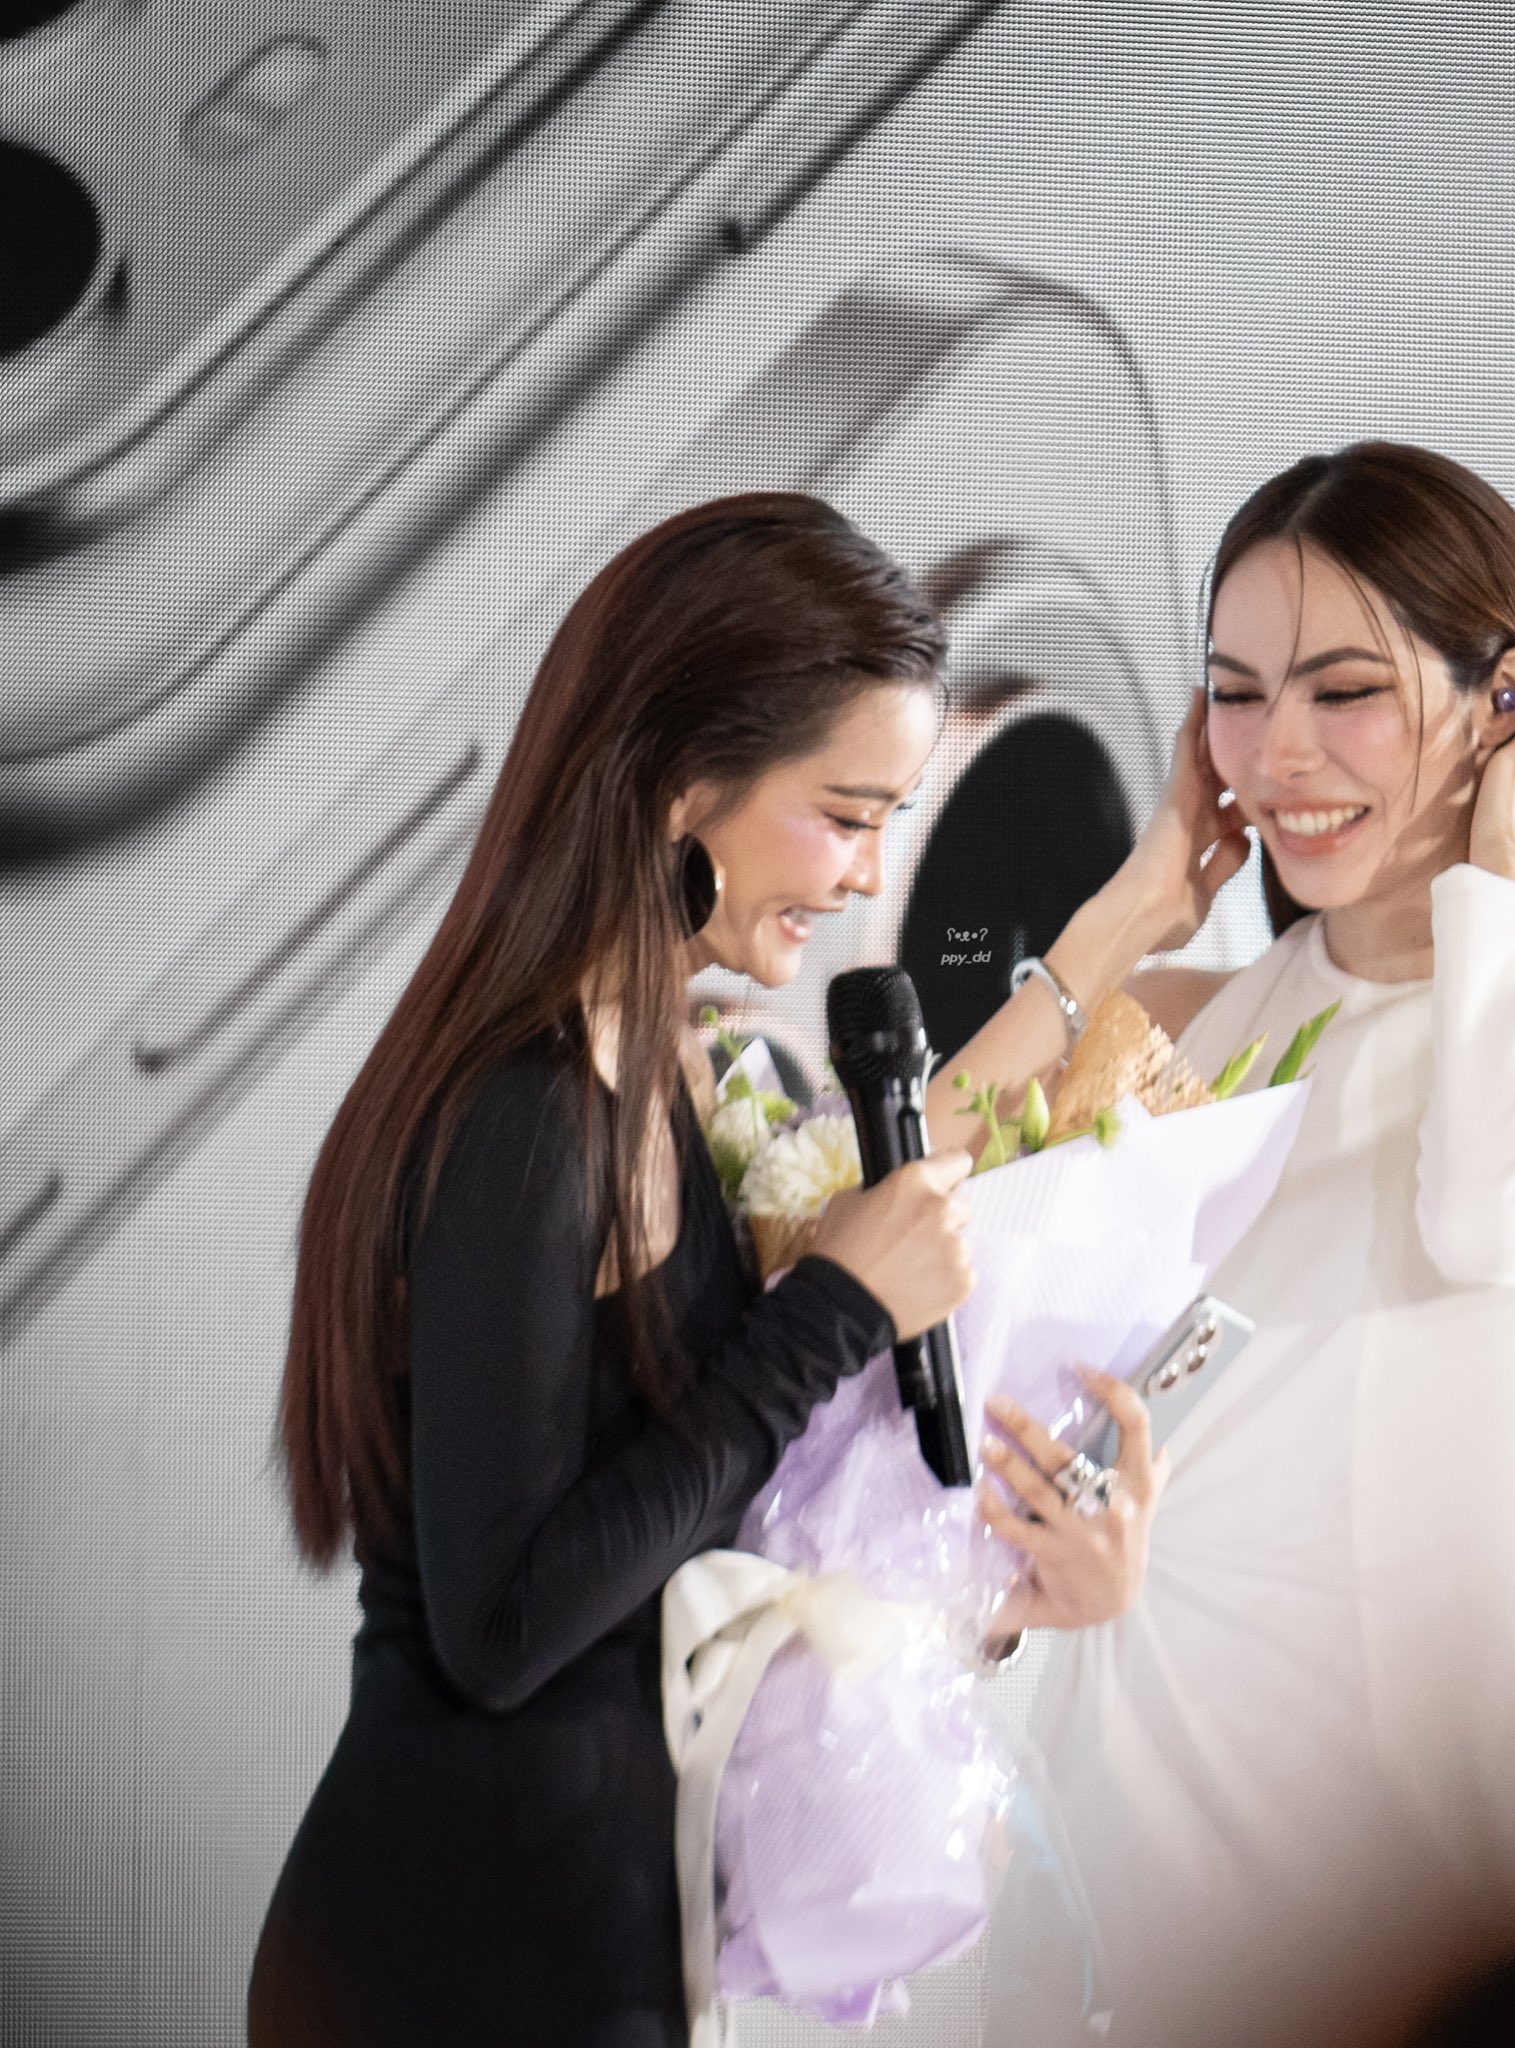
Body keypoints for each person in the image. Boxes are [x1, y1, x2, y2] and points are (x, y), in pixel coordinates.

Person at [246, 493, 1159, 2047]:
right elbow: (506, 1625)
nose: (868, 876)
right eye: (846, 813)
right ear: (684, 785)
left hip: (597, 1938)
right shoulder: (528, 1112)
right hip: (453, 1964)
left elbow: (684, 1546)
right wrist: (832, 1314)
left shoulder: (673, 1067)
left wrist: (986, 1598)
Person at [963, 442, 1515, 2046]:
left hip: (1420, 1885)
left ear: (1509, 704)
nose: (1277, 755)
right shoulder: (1180, 1019)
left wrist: (1510, 903)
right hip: (1114, 1881)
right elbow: (899, 1254)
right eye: (1234, 694)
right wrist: (1130, 913)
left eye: (1343, 691)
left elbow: (1493, 1213)